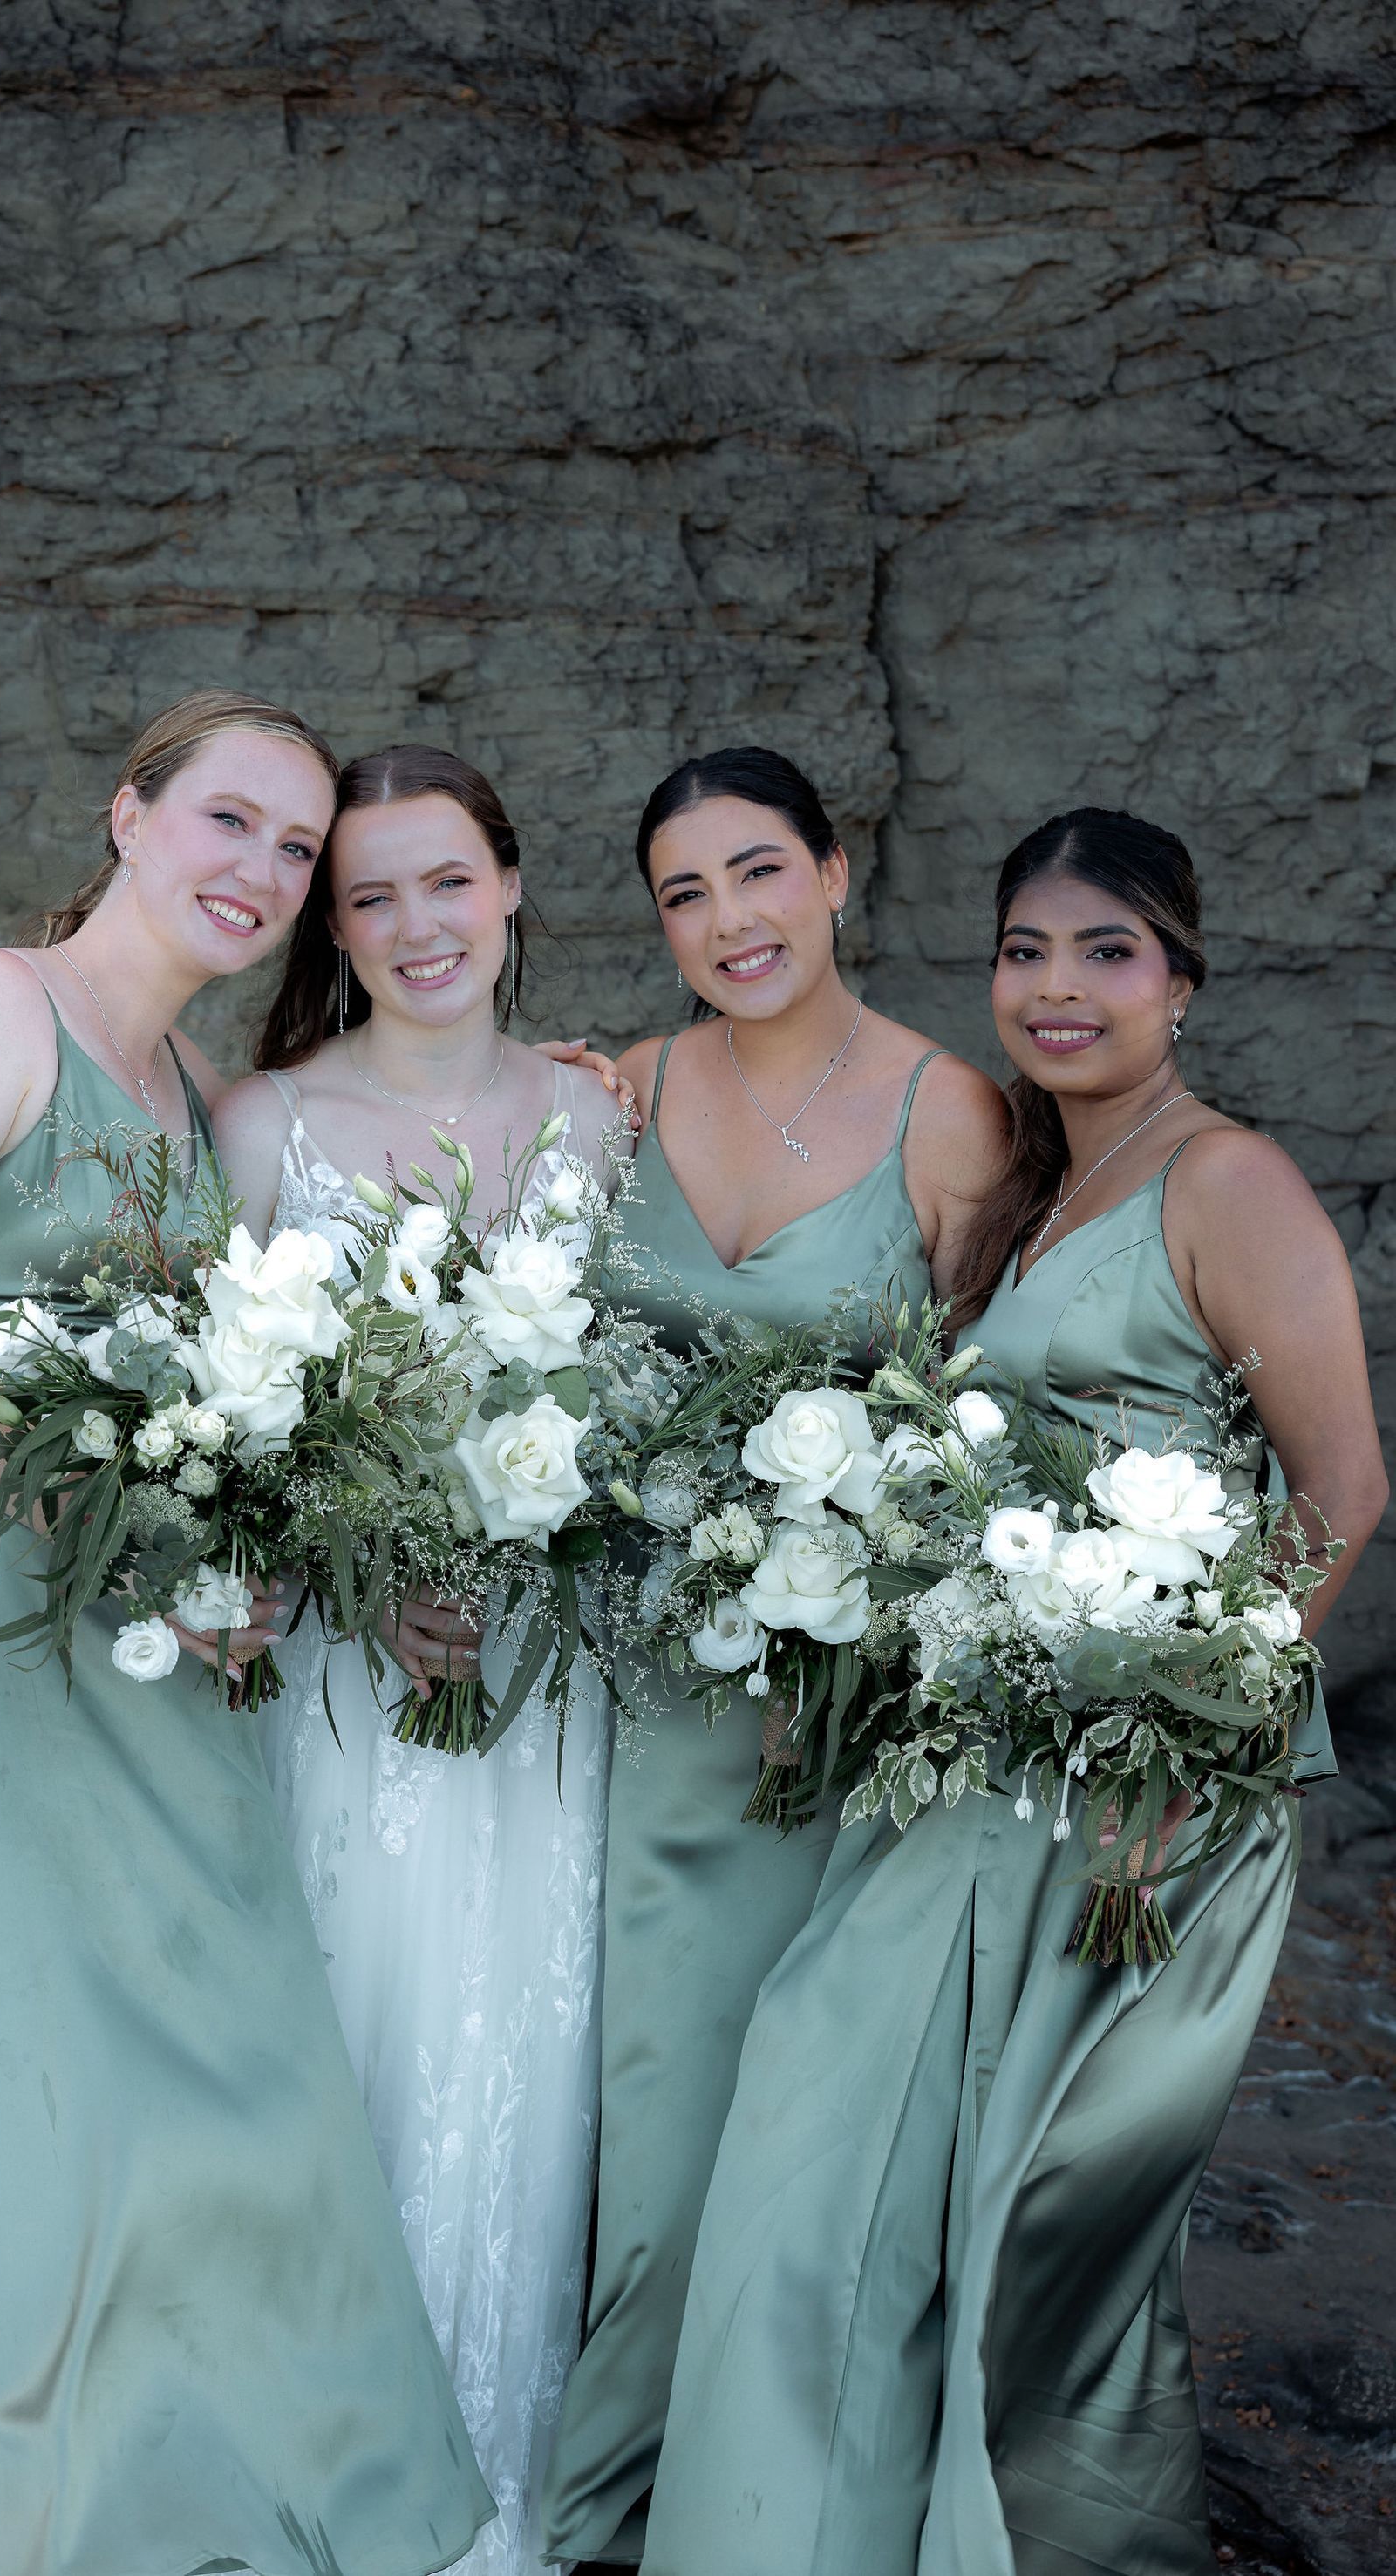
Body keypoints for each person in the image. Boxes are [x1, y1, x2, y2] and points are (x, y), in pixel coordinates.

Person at [0, 692, 500, 2576]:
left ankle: (193, 2471)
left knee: (191, 2052)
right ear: (128, 812)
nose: (259, 871)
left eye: (295, 849)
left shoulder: (179, 1097)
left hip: (146, 1642)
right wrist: (120, 1534)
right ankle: (7, 2501)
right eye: (228, 821)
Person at [637, 807, 1387, 2576]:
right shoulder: (1049, 1188)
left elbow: (1340, 1495)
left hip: (1141, 1802)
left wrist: (1179, 1733)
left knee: (1048, 2236)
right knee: (828, 2156)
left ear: (1181, 980)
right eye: (1026, 950)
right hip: (970, 1771)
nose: (1058, 988)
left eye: (1105, 949)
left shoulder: (1229, 1182)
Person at [541, 746, 1009, 2567]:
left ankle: (740, 2505)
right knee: (615, 2135)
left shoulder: (947, 1112)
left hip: (827, 1710)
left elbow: (985, 1421)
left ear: (834, 871)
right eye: (681, 893)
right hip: (619, 1692)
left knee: (770, 2129)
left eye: (755, 872)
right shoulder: (620, 1092)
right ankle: (591, 2493)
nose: (726, 919)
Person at [213, 744, 626, 2576]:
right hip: (344, 1687)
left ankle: (494, 2501)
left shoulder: (609, 1117)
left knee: (523, 2069)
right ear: (333, 921)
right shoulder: (263, 1127)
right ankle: (319, 2483)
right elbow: (230, 1423)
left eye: (444, 880)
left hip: (544, 1686)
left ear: (513, 885)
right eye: (368, 894)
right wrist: (361, 1563)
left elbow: (644, 1400)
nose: (413, 925)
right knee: (344, 2043)